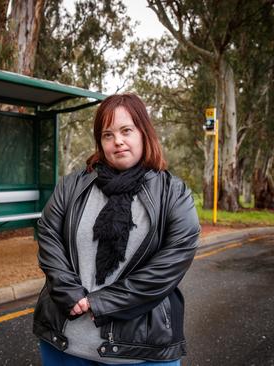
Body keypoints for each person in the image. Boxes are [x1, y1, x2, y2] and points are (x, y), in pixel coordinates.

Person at [32, 93, 200, 365]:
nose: (117, 141)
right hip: (65, 345)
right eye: (107, 135)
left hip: (142, 352)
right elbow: (49, 236)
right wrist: (68, 291)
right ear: (100, 141)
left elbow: (173, 261)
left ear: (143, 133)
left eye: (126, 131)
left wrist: (102, 302)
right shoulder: (71, 186)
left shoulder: (174, 193)